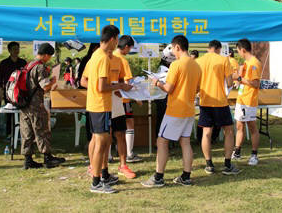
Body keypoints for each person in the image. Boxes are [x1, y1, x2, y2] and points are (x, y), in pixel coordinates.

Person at [142, 35, 201, 187]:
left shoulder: (176, 65)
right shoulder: (196, 65)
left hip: (175, 109)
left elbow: (168, 88)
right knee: (185, 142)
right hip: (189, 109)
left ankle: (158, 177)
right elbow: (197, 89)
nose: (172, 54)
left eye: (173, 50)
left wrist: (157, 82)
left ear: (177, 47)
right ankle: (186, 176)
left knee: (161, 141)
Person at [81, 25, 132, 194]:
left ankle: (102, 176)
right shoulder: (103, 58)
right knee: (101, 144)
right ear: (112, 39)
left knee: (99, 141)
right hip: (101, 105)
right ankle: (96, 182)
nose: (117, 43)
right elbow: (102, 86)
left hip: (95, 105)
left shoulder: (95, 55)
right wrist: (121, 85)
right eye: (117, 40)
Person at [196, 40, 240, 175]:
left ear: (209, 48)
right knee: (229, 131)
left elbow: (196, 84)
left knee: (206, 133)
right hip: (220, 101)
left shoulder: (199, 61)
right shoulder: (224, 60)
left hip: (205, 100)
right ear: (218, 49)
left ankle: (209, 164)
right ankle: (227, 164)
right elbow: (229, 81)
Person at [20, 43, 65, 169]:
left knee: (27, 132)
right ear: (45, 55)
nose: (49, 59)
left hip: (24, 104)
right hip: (35, 105)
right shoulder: (39, 67)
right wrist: (53, 82)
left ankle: (28, 160)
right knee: (42, 130)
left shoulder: (28, 64)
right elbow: (45, 86)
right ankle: (47, 157)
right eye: (49, 56)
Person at [232, 39, 262, 166]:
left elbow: (255, 83)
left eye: (238, 51)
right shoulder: (246, 62)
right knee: (239, 125)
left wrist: (239, 79)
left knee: (252, 127)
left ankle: (254, 154)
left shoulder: (254, 63)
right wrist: (238, 82)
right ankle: (237, 151)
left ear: (243, 50)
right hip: (241, 98)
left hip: (249, 100)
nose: (238, 54)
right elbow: (244, 80)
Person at [113, 35, 143, 163]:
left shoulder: (111, 56)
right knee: (129, 124)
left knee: (111, 128)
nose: (129, 51)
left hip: (112, 97)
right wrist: (137, 97)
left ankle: (109, 155)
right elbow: (127, 80)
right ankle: (129, 153)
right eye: (130, 49)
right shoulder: (123, 60)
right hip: (124, 98)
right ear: (126, 47)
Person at [0, 42, 27, 136]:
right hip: (9, 93)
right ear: (9, 50)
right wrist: (0, 91)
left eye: (17, 48)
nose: (16, 51)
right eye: (14, 49)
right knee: (9, 114)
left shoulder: (23, 62)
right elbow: (0, 79)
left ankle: (21, 134)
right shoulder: (4, 63)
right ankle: (9, 133)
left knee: (21, 113)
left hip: (21, 93)